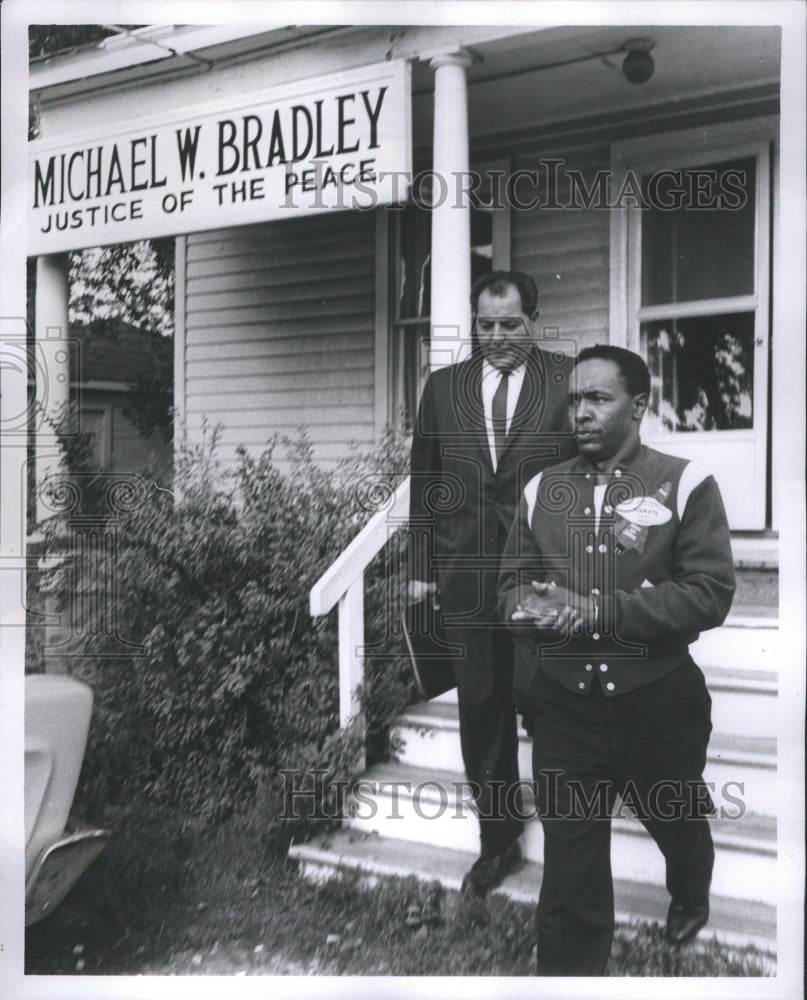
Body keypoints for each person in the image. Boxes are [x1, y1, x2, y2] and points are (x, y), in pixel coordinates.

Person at [498, 344, 736, 975]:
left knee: (674, 819)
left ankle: (690, 888)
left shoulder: (685, 481)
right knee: (570, 871)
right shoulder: (541, 489)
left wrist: (601, 612)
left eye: (598, 398)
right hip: (566, 710)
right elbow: (511, 586)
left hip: (657, 703)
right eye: (574, 399)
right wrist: (531, 607)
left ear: (640, 405)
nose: (581, 412)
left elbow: (710, 593)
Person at [408, 270, 575, 894]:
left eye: (510, 324)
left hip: (542, 576)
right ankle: (497, 841)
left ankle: (569, 835)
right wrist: (422, 575)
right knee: (480, 708)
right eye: (486, 325)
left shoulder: (567, 379)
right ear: (474, 324)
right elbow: (424, 484)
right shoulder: (443, 388)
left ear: (533, 321)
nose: (497, 337)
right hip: (467, 576)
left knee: (547, 701)